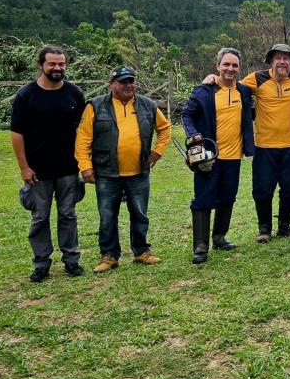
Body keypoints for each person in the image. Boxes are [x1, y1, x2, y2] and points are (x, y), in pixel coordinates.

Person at [75, 66, 172, 273]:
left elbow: (165, 129)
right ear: (111, 84)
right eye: (123, 82)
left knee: (140, 214)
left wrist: (158, 151)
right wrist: (85, 166)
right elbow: (83, 139)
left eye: (131, 81)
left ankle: (141, 251)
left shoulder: (148, 105)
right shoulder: (95, 106)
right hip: (106, 173)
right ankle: (109, 256)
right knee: (107, 216)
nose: (128, 85)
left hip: (138, 172)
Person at [10, 46, 86, 282]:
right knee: (40, 217)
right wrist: (24, 167)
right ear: (41, 65)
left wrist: (85, 161)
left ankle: (71, 259)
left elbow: (84, 131)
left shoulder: (74, 94)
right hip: (38, 171)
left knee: (68, 215)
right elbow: (17, 133)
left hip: (68, 168)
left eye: (61, 64)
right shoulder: (26, 95)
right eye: (52, 63)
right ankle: (41, 263)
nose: (57, 68)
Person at [237, 44, 290, 243]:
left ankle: (284, 227)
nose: (282, 62)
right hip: (264, 147)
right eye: (278, 58)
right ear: (271, 61)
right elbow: (232, 86)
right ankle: (264, 229)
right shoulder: (257, 78)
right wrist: (212, 79)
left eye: (286, 58)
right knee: (262, 190)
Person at [182, 48, 254, 263]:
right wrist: (193, 134)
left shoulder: (244, 91)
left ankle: (219, 237)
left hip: (233, 157)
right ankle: (200, 246)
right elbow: (187, 114)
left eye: (234, 65)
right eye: (226, 64)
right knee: (203, 198)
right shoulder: (204, 91)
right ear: (218, 66)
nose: (230, 68)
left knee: (228, 197)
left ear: (239, 68)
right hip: (209, 158)